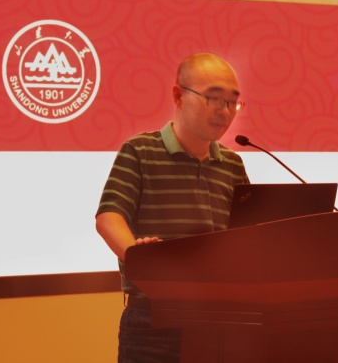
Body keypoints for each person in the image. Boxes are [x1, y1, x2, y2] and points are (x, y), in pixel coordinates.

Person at [95, 53, 249, 363]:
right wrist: (141, 258)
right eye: (213, 98)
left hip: (219, 319)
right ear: (179, 96)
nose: (224, 111)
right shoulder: (140, 151)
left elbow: (247, 236)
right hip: (153, 320)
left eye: (232, 102)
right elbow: (109, 217)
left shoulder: (232, 164)